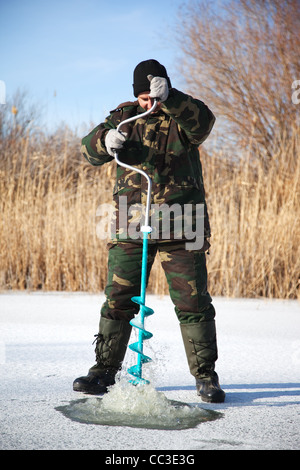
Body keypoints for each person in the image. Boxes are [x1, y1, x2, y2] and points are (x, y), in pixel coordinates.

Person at [73, 59, 225, 403]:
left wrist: (171, 98)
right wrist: (103, 140)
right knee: (118, 301)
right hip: (131, 226)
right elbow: (89, 150)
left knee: (194, 303)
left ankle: (206, 377)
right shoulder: (123, 117)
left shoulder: (182, 114)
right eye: (143, 97)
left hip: (183, 225)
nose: (148, 103)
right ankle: (102, 372)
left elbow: (204, 124)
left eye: (153, 96)